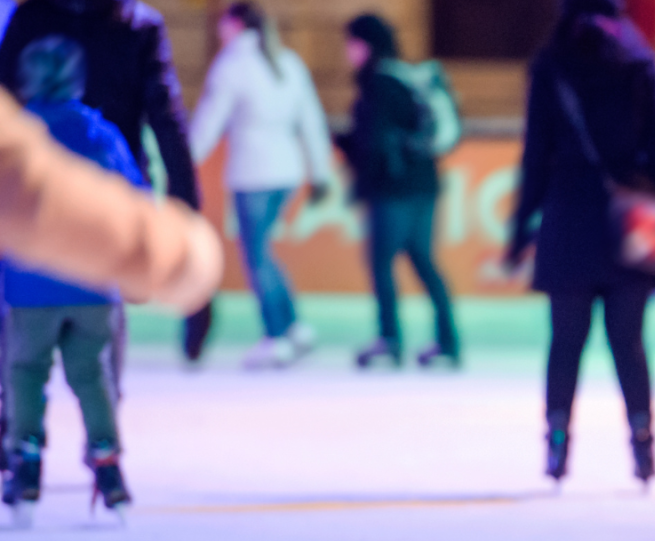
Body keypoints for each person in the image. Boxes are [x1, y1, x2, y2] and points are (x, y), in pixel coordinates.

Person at [0, 64, 222, 523]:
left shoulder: (23, 128)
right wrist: (161, 252)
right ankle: (106, 458)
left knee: (25, 373)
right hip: (92, 289)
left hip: (29, 289)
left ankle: (27, 456)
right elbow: (133, 193)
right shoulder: (100, 133)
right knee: (92, 375)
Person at [507, 0, 655, 486]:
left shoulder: (552, 62)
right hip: (629, 220)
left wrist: (521, 226)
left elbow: (535, 153)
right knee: (629, 341)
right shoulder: (637, 62)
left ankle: (557, 440)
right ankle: (643, 442)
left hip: (568, 217)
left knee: (565, 341)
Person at [0, 0, 215, 366]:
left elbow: (168, 119)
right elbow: (167, 120)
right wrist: (186, 223)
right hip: (106, 192)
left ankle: (18, 406)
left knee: (26, 311)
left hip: (59, 191)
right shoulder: (135, 23)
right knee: (96, 320)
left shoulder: (36, 15)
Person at [191, 2, 334, 371]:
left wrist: (183, 158)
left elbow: (210, 121)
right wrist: (319, 170)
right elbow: (311, 119)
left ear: (235, 25)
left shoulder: (233, 66)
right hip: (286, 170)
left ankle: (277, 335)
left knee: (256, 255)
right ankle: (292, 326)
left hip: (254, 173)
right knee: (263, 251)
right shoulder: (287, 62)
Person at [337, 13, 459, 370]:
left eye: (351, 43)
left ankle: (389, 339)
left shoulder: (379, 83)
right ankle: (448, 340)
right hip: (423, 184)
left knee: (381, 261)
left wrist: (355, 160)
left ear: (365, 44)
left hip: (394, 188)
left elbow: (376, 140)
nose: (347, 52)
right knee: (423, 260)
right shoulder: (404, 78)